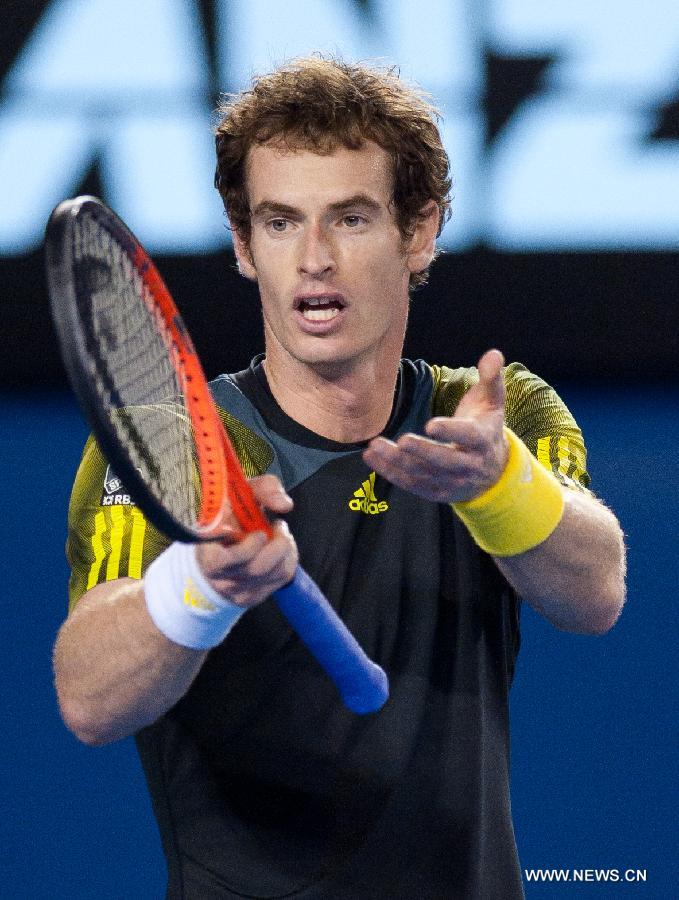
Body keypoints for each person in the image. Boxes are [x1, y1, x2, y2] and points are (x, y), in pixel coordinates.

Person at [54, 56, 626, 899]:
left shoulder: (493, 416)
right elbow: (90, 701)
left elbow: (594, 595)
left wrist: (495, 484)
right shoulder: (175, 439)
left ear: (419, 230)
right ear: (245, 245)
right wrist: (201, 584)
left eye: (350, 218)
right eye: (280, 223)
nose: (314, 259)